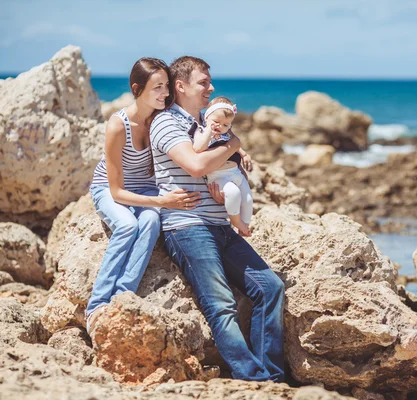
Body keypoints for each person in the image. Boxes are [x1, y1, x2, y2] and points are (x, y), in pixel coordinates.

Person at [149, 56, 285, 382]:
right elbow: (196, 166)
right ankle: (254, 378)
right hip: (188, 228)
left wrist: (230, 151)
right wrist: (234, 144)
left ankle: (272, 377)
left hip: (221, 225)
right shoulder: (167, 122)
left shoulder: (207, 124)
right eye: (203, 82)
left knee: (271, 288)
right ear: (180, 86)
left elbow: (215, 166)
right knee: (221, 304)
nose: (211, 88)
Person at [86, 58, 201, 337]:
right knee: (127, 226)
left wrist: (239, 151)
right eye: (157, 88)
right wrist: (162, 202)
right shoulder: (118, 125)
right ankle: (96, 305)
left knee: (150, 222)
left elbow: (204, 131)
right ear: (137, 89)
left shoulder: (163, 118)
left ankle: (123, 296)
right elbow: (116, 191)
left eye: (166, 87)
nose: (164, 94)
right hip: (111, 189)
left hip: (146, 189)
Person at [192, 96, 253, 236]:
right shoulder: (201, 132)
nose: (220, 126)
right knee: (233, 193)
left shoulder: (226, 134)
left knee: (248, 199)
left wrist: (244, 155)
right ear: (207, 117)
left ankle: (245, 225)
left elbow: (236, 145)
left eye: (226, 125)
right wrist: (209, 131)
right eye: (216, 122)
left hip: (235, 173)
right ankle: (236, 222)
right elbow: (198, 148)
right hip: (218, 176)